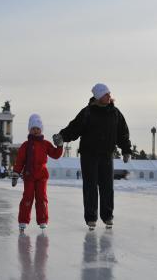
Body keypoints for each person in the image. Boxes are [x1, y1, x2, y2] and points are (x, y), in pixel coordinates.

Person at [53, 83, 132, 229]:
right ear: (98, 96)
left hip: (107, 155)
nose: (109, 96)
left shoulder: (115, 113)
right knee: (90, 187)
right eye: (105, 94)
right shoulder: (87, 112)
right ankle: (91, 218)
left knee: (107, 186)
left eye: (109, 94)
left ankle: (107, 216)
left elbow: (123, 133)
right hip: (89, 155)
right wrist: (62, 136)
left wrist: (126, 149)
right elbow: (74, 128)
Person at [12, 114, 63, 233]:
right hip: (29, 175)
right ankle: (23, 221)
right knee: (27, 197)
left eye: (37, 129)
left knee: (41, 198)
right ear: (30, 130)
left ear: (41, 130)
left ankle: (43, 220)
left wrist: (59, 145)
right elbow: (20, 161)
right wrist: (16, 173)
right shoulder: (25, 145)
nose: (35, 131)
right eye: (33, 128)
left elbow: (55, 154)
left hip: (41, 176)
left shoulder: (45, 144)